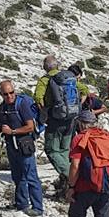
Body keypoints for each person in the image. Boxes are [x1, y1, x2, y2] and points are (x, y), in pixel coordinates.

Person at [0, 80, 43, 215]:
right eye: (6, 94)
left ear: (14, 91)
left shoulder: (22, 105)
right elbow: (0, 127)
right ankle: (21, 204)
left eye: (11, 93)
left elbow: (30, 126)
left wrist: (12, 132)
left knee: (31, 176)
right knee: (18, 176)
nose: (9, 96)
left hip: (24, 144)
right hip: (11, 145)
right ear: (1, 94)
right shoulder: (1, 108)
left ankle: (37, 208)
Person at [34, 55, 80, 189]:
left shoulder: (45, 80)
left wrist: (44, 113)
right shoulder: (67, 78)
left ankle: (71, 177)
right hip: (71, 118)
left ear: (44, 67)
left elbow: (38, 98)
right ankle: (69, 179)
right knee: (65, 149)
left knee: (52, 150)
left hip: (55, 119)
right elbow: (82, 90)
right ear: (57, 65)